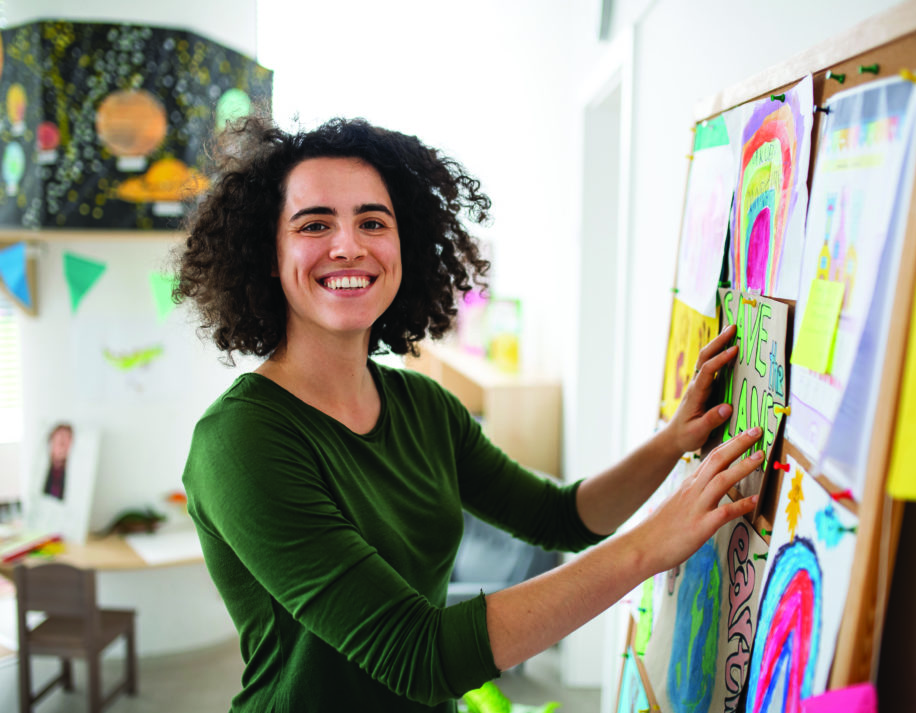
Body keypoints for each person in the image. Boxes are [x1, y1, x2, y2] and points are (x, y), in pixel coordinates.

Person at [174, 115, 763, 712]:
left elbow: (561, 517)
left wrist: (670, 444)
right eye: (314, 223)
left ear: (403, 246)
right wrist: (646, 548)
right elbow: (417, 653)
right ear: (269, 255)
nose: (348, 245)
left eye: (372, 222)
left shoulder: (422, 405)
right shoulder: (240, 440)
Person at [42, 422, 73, 500]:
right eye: (60, 441)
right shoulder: (43, 472)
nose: (62, 447)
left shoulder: (71, 475)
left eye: (66, 442)